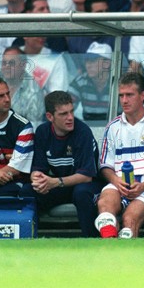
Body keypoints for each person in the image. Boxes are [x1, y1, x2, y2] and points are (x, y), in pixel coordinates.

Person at [95, 72, 144, 239]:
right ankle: (110, 254)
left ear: (142, 95)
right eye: (121, 95)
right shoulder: (112, 127)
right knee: (105, 206)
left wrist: (142, 186)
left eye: (129, 95)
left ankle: (127, 261)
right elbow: (105, 166)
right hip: (119, 183)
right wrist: (116, 181)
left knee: (129, 221)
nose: (124, 100)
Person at [20, 91, 104, 238]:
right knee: (27, 191)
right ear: (50, 117)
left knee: (82, 193)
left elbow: (87, 176)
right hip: (59, 185)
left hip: (87, 184)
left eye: (71, 111)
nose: (70, 117)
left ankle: (92, 242)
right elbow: (38, 168)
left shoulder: (82, 131)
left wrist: (55, 182)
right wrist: (38, 179)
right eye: (63, 114)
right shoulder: (42, 132)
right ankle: (30, 241)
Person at [0, 46, 45, 128]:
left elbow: (34, 127)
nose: (6, 67)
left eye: (11, 63)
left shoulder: (34, 91)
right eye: (4, 63)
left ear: (23, 65)